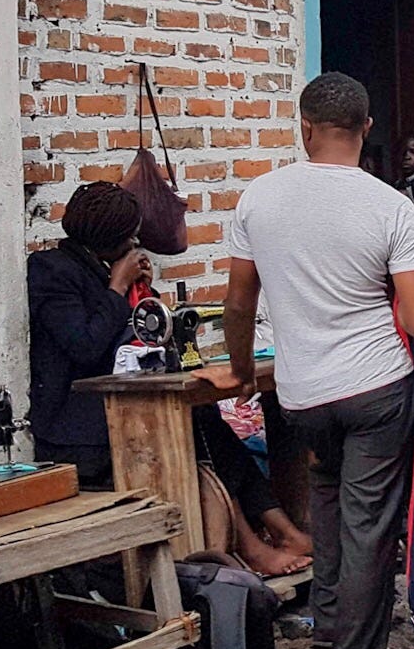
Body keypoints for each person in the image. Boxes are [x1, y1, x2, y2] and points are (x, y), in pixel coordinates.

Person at [221, 72, 414, 649]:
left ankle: (326, 626)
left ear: (304, 127)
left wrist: (238, 370)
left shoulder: (257, 200)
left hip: (302, 395)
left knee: (326, 492)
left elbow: (238, 301)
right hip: (374, 387)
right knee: (367, 522)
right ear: (367, 130)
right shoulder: (390, 206)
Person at [28, 182, 310, 575]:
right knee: (191, 433)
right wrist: (118, 286)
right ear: (111, 240)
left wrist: (141, 293)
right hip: (77, 428)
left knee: (207, 417)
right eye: (129, 237)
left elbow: (144, 336)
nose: (134, 244)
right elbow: (85, 345)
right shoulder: (51, 272)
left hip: (121, 409)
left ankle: (280, 527)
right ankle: (252, 546)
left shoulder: (100, 267)